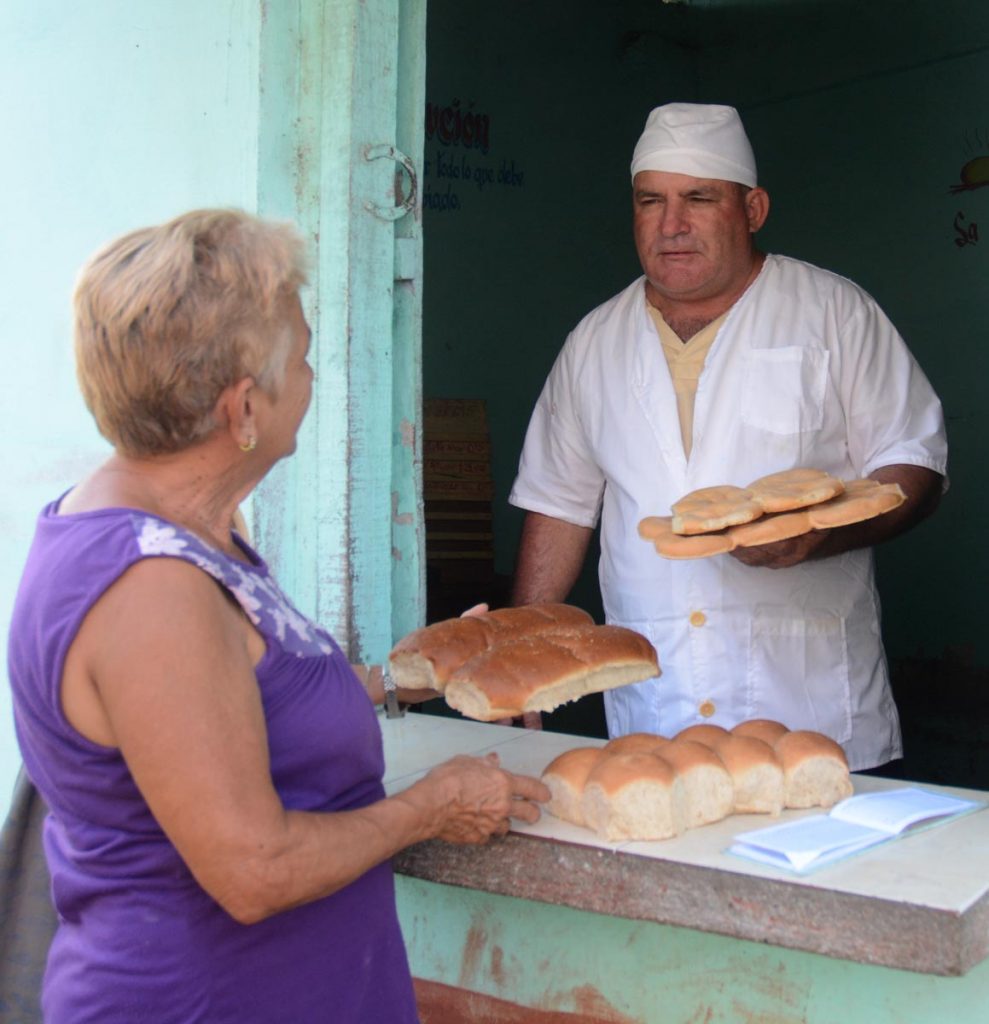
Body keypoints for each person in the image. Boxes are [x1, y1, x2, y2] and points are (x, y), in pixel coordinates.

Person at [7, 209, 549, 1023]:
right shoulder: (149, 588)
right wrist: (433, 806)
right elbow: (253, 869)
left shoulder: (181, 531)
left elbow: (231, 699)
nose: (312, 377)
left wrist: (406, 676)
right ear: (243, 408)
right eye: (301, 358)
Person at [508, 102, 946, 773]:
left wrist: (819, 536)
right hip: (656, 715)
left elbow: (913, 462)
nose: (671, 225)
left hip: (810, 711)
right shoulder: (593, 342)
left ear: (752, 209)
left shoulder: (831, 311)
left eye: (698, 199)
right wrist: (522, 653)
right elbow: (558, 502)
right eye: (650, 200)